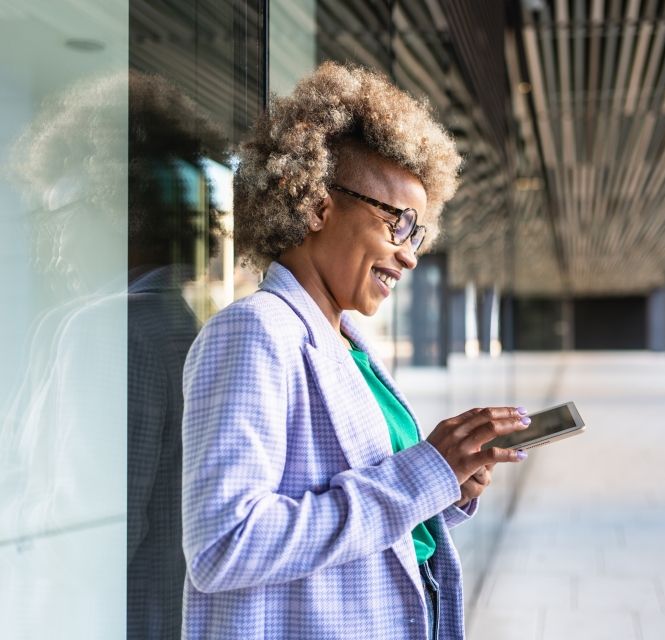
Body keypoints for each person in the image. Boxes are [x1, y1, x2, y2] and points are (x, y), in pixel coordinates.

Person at [180, 61, 529, 640]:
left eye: (418, 233)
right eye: (397, 223)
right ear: (317, 204)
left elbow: (376, 504)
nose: (410, 254)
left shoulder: (348, 343)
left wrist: (447, 485)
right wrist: (422, 474)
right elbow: (225, 544)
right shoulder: (254, 332)